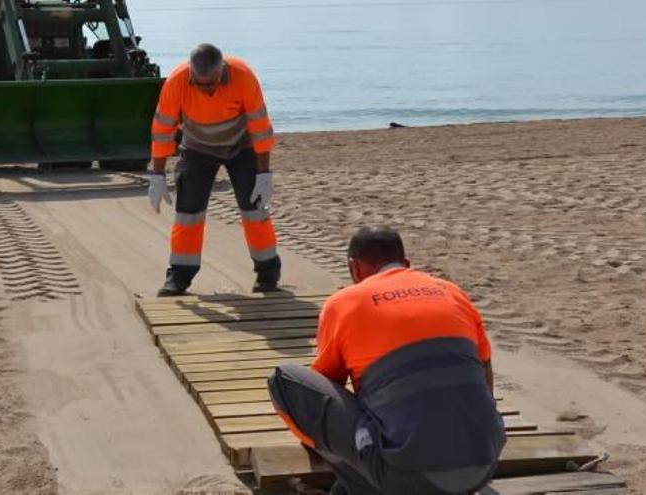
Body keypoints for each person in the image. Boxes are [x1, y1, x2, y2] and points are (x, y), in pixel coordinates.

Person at [268, 226, 505, 494]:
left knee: (283, 379)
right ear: (405, 264)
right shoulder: (452, 292)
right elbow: (485, 372)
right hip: (484, 464)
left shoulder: (345, 303)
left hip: (407, 478)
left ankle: (358, 484)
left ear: (354, 268)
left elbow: (326, 387)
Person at [147, 43, 280, 296]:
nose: (207, 90)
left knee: (255, 208)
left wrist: (264, 175)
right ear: (191, 75)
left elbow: (260, 128)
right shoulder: (176, 82)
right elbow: (162, 130)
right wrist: (157, 175)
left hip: (242, 148)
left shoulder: (243, 76)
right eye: (201, 84)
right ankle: (179, 275)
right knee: (188, 212)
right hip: (197, 149)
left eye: (213, 83)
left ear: (223, 71)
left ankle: (268, 273)